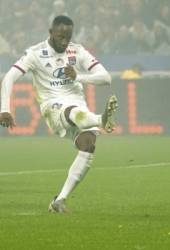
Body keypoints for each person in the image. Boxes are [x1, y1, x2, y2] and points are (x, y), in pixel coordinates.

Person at [0, 16, 118, 213]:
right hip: (52, 106)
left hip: (78, 104)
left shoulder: (77, 51)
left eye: (68, 36)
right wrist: (4, 108)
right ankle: (100, 119)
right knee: (72, 112)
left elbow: (106, 78)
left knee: (88, 146)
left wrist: (79, 76)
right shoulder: (35, 53)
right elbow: (10, 76)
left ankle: (59, 201)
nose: (65, 41)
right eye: (60, 36)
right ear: (51, 33)